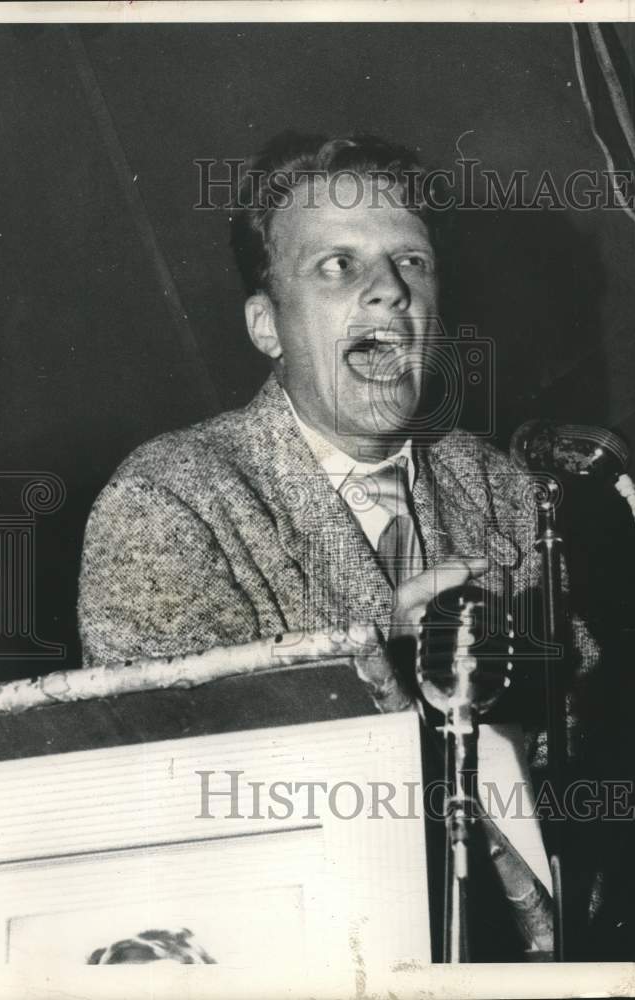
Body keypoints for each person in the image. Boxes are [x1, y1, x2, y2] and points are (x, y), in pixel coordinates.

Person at [77, 133, 600, 959]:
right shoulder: (170, 500)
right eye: (337, 267)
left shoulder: (504, 488)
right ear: (266, 324)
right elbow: (168, 806)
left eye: (412, 264)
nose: (390, 291)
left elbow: (585, 762)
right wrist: (377, 670)